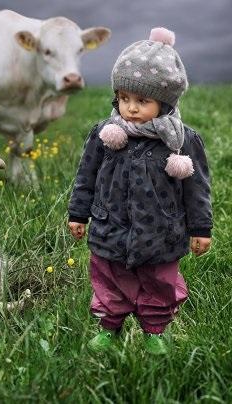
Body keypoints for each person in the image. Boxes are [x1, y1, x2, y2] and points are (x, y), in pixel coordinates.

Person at [67, 28, 212, 355]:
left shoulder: (182, 141)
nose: (130, 108)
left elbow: (197, 188)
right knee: (108, 276)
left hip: (161, 231)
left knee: (158, 279)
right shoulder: (106, 133)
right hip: (110, 226)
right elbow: (85, 175)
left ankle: (155, 329)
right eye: (124, 98)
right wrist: (78, 213)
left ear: (165, 102)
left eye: (142, 101)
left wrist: (201, 228)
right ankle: (108, 326)